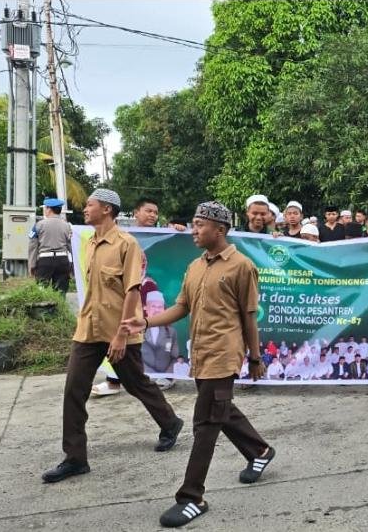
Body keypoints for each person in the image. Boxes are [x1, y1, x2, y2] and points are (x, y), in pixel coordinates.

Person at [122, 201, 276, 528]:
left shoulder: (242, 266)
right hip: (201, 354)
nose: (194, 230)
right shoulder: (194, 266)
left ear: (219, 230)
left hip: (224, 354)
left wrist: (255, 357)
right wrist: (145, 322)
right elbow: (181, 307)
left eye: (200, 225)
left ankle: (192, 497)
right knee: (221, 408)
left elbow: (249, 317)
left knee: (205, 421)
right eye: (193, 224)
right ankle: (260, 451)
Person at [42, 189, 184, 484]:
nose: (85, 209)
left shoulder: (126, 244)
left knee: (136, 383)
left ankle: (170, 423)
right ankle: (75, 458)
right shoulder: (89, 243)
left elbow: (132, 291)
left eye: (90, 204)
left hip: (119, 331)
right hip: (88, 330)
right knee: (73, 391)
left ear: (106, 209)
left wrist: (120, 336)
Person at [94, 197, 187, 397]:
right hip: (122, 297)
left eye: (156, 212)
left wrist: (178, 230)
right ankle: (113, 380)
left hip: (142, 307)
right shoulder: (121, 235)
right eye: (148, 211)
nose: (153, 215)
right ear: (136, 212)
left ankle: (164, 376)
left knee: (150, 344)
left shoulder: (166, 234)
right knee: (117, 339)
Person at [28, 197, 73, 294]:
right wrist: (73, 266)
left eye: (45, 208)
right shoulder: (67, 226)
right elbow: (71, 246)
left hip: (45, 261)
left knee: (41, 291)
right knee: (60, 292)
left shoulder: (38, 225)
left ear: (49, 209)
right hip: (62, 261)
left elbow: (33, 246)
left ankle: (43, 304)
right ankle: (60, 304)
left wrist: (32, 265)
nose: (44, 210)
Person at [142, 291, 179, 390]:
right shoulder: (138, 330)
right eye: (153, 306)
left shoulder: (171, 332)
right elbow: (136, 357)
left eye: (160, 307)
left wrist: (166, 376)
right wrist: (151, 376)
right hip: (143, 376)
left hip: (165, 379)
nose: (157, 310)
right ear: (146, 308)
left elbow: (175, 357)